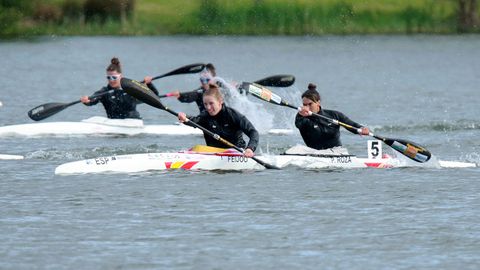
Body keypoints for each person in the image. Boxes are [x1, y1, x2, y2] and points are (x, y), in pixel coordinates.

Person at [177, 84, 259, 158]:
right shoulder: (205, 116)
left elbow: (253, 132)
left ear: (220, 102)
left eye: (211, 103)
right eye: (205, 104)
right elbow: (194, 121)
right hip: (213, 153)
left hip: (236, 153)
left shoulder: (233, 115)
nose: (208, 108)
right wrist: (184, 118)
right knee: (197, 148)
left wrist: (250, 149)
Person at [295, 83, 370, 150]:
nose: (307, 107)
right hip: (313, 154)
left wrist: (361, 128)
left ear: (318, 103)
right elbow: (298, 124)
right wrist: (300, 115)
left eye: (310, 104)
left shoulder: (334, 115)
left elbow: (351, 125)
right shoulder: (301, 118)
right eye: (304, 105)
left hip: (336, 153)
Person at [81, 57, 159, 119]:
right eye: (109, 77)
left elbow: (155, 96)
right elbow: (92, 100)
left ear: (120, 76)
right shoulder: (104, 91)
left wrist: (149, 84)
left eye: (114, 77)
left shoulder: (131, 89)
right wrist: (86, 101)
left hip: (133, 123)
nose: (111, 80)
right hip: (114, 124)